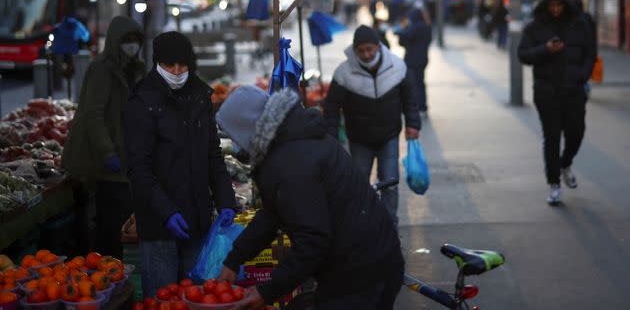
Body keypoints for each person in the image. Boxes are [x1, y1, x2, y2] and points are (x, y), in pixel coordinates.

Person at [216, 86, 404, 310]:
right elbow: (273, 213)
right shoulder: (290, 142)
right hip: (365, 261)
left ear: (247, 129)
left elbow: (312, 240)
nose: (235, 144)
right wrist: (235, 259)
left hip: (362, 272)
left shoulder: (290, 163)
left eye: (233, 135)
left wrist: (267, 291)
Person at [124, 31, 236, 297]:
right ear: (157, 63)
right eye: (169, 65)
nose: (176, 71)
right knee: (165, 298)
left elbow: (213, 154)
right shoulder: (142, 100)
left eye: (182, 65)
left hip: (197, 219)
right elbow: (139, 168)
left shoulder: (199, 95)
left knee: (197, 296)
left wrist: (226, 200)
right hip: (159, 224)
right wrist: (166, 212)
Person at [62, 16, 144, 259]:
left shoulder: (133, 67)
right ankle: (107, 262)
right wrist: (108, 153)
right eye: (126, 40)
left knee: (119, 212)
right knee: (112, 215)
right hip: (104, 155)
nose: (131, 45)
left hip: (122, 150)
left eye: (135, 40)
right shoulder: (102, 68)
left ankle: (114, 262)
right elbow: (93, 114)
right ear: (115, 41)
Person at [323, 25, 421, 225]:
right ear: (355, 50)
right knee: (358, 184)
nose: (366, 54)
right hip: (359, 140)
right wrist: (331, 136)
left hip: (389, 136)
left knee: (390, 183)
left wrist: (413, 124)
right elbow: (331, 107)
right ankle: (362, 226)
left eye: (370, 49)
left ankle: (389, 226)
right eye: (361, 50)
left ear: (378, 46)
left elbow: (410, 98)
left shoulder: (397, 67)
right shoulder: (343, 73)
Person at [517, 0, 596, 206]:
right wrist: (545, 49)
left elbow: (590, 51)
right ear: (545, 5)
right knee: (551, 138)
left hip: (574, 90)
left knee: (576, 133)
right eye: (551, 5)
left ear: (565, 4)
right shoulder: (534, 27)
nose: (555, 9)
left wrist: (583, 75)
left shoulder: (580, 25)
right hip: (546, 91)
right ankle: (554, 184)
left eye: (559, 5)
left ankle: (565, 163)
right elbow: (522, 54)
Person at [397, 5, 433, 115]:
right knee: (420, 83)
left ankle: (419, 107)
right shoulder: (427, 27)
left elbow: (404, 37)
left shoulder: (416, 27)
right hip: (423, 59)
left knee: (414, 84)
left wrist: (401, 29)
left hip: (413, 60)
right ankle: (423, 107)